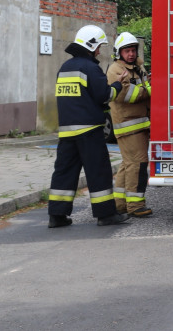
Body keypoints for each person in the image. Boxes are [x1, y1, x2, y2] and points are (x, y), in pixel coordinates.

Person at [47, 26, 131, 227]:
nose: (99, 51)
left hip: (67, 131)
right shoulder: (90, 68)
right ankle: (106, 215)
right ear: (91, 45)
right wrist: (117, 85)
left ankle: (57, 216)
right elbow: (104, 96)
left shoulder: (64, 68)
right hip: (89, 130)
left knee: (64, 172)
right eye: (99, 47)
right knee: (98, 171)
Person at [106, 32, 153, 217]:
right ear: (119, 52)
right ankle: (135, 206)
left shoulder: (137, 68)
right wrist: (149, 89)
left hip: (138, 124)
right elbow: (127, 95)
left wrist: (146, 87)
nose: (131, 54)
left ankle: (120, 205)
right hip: (127, 126)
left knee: (127, 165)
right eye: (127, 51)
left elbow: (142, 87)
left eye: (133, 50)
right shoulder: (115, 70)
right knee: (138, 164)